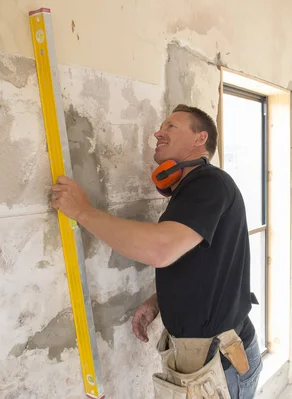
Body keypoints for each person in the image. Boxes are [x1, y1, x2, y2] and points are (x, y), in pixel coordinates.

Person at [51, 104, 263, 398]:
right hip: (209, 356)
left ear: (200, 138)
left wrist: (83, 212)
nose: (158, 132)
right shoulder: (193, 189)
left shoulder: (208, 182)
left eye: (171, 127)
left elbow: (160, 249)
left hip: (218, 360)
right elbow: (204, 264)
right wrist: (158, 301)